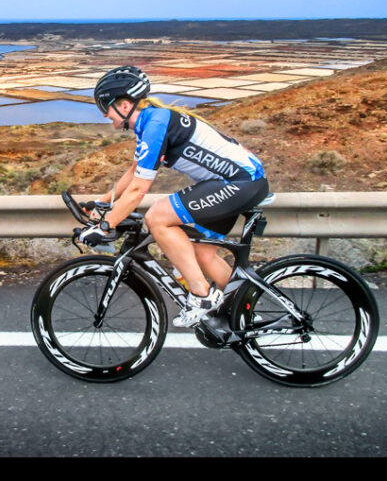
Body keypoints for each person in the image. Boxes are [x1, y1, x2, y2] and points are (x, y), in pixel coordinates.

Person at [78, 65, 270, 328]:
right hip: (241, 182)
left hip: (238, 182)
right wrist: (104, 201)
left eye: (105, 107)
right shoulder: (151, 121)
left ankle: (201, 295)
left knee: (157, 217)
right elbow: (135, 170)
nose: (104, 114)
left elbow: (138, 190)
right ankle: (245, 314)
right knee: (204, 256)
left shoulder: (156, 124)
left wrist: (105, 226)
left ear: (124, 105)